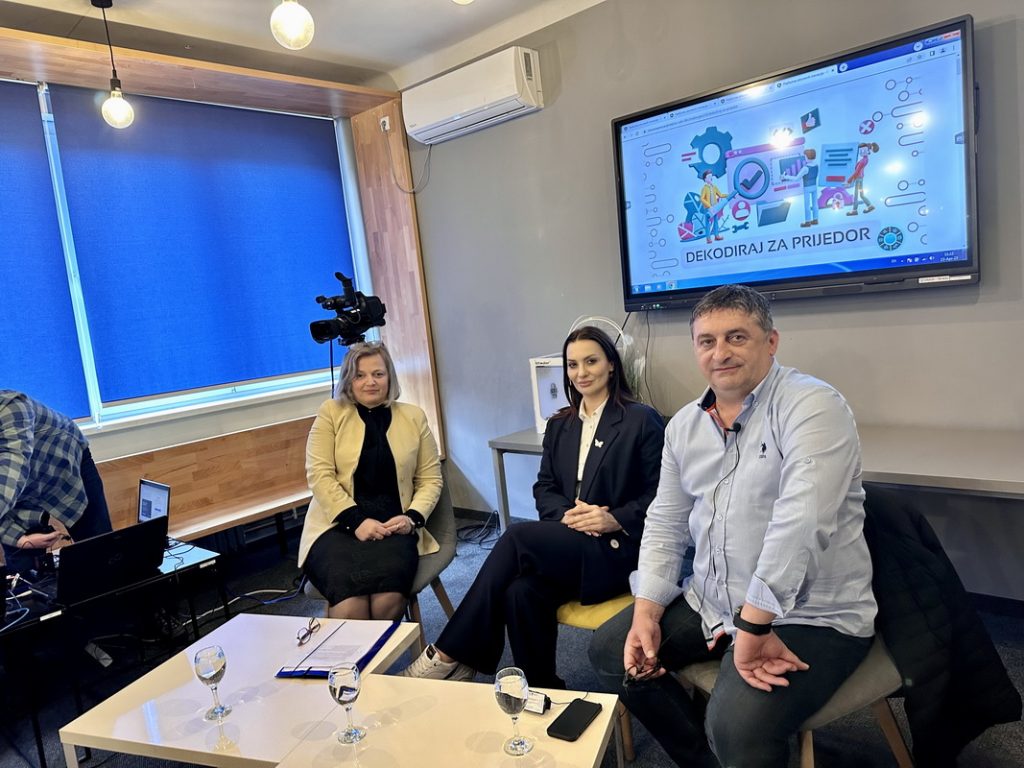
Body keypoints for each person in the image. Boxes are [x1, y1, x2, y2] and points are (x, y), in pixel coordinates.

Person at [588, 285, 877, 768]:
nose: (720, 353)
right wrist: (647, 610)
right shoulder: (684, 426)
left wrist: (754, 623)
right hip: (713, 598)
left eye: (736, 337)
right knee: (611, 652)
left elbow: (801, 521)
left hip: (808, 613)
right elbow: (665, 522)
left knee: (735, 726)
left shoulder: (813, 406)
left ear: (771, 341)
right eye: (707, 341)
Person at [401, 326, 664, 688]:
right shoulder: (560, 424)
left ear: (611, 365)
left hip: (616, 550)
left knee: (516, 537)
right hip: (572, 540)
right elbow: (545, 487)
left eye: (591, 361)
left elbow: (661, 497)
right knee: (519, 591)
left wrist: (612, 519)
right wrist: (568, 517)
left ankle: (450, 653)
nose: (581, 373)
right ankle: (541, 690)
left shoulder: (640, 419)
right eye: (572, 364)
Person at [298, 342, 443, 620]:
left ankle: (377, 652)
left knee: (387, 602)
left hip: (394, 528)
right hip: (337, 526)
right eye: (360, 375)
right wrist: (356, 521)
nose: (370, 382)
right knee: (350, 606)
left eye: (378, 374)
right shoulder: (330, 413)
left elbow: (430, 479)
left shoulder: (413, 416)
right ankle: (350, 651)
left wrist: (412, 518)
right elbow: (320, 476)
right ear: (348, 380)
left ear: (390, 377)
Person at [0, 390, 112, 571]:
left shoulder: (12, 406)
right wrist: (18, 539)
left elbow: (11, 474)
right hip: (17, 499)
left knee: (101, 551)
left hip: (66, 468)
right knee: (24, 572)